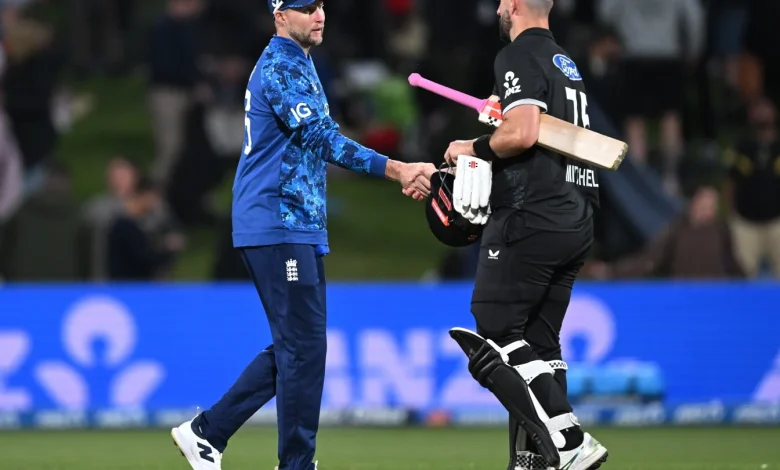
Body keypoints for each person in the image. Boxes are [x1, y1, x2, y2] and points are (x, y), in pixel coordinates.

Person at [170, 1, 435, 470]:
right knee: (303, 345)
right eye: (304, 7)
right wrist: (397, 169)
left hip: (296, 223)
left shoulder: (302, 63)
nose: (319, 14)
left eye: (320, 5)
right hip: (276, 220)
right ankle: (293, 463)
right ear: (279, 15)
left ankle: (209, 432)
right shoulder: (281, 66)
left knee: (301, 345)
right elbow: (323, 139)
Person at [438, 0, 608, 469]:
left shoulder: (516, 54)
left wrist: (469, 146)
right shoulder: (565, 63)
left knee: (493, 330)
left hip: (533, 213)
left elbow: (524, 133)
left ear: (513, 4)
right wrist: (503, 118)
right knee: (541, 345)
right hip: (579, 211)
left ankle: (569, 440)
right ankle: (531, 463)